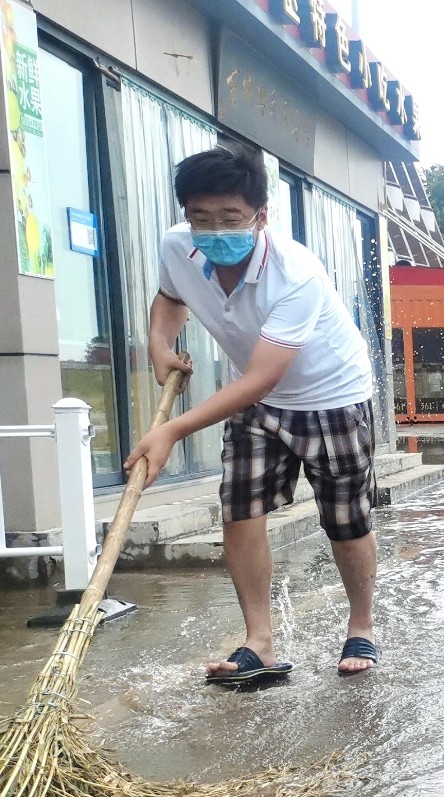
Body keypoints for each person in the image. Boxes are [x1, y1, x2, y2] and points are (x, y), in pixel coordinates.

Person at [124, 143, 380, 683]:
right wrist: (158, 342)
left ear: (260, 216)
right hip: (258, 402)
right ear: (185, 214)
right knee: (240, 511)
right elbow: (171, 297)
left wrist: (172, 429)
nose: (214, 229)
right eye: (200, 216)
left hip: (329, 396)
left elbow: (264, 374)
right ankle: (258, 642)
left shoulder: (297, 274)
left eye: (230, 218)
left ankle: (361, 625)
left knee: (344, 517)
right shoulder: (178, 246)